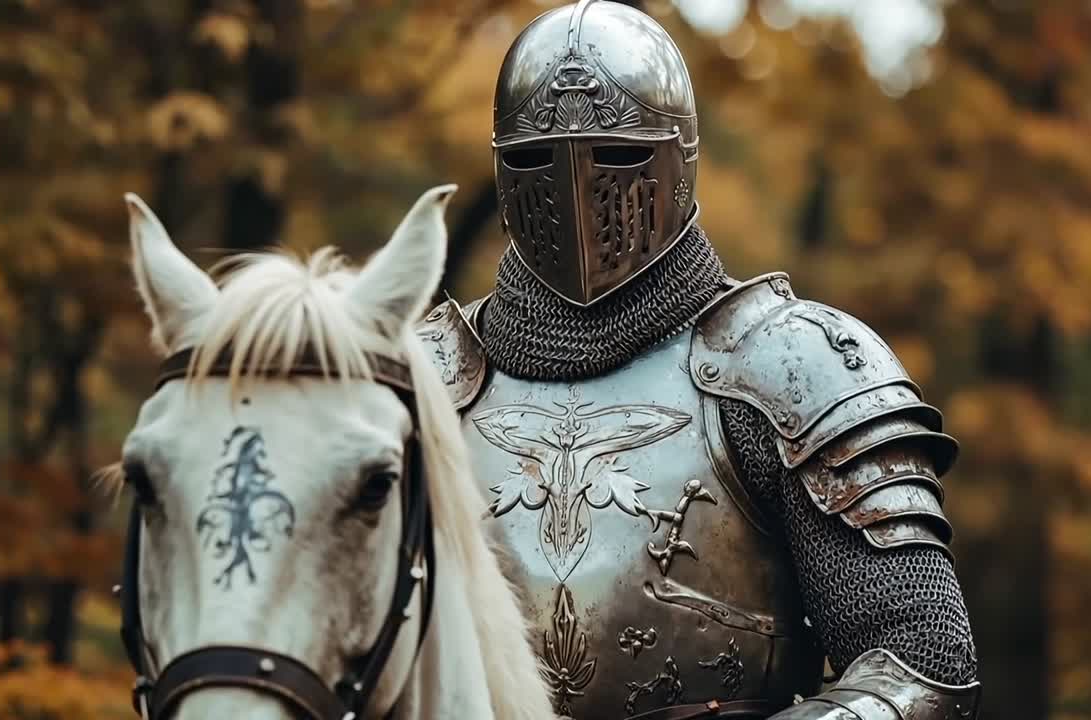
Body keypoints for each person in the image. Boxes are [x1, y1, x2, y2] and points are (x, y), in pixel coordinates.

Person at [419, 2, 981, 717]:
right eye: (536, 161)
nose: (579, 192)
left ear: (679, 159)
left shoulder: (791, 371)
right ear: (503, 170)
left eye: (618, 157)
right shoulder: (424, 378)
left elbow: (920, 658)